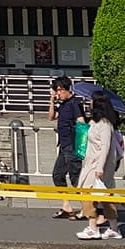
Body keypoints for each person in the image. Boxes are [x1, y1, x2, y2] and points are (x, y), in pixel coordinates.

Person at [76, 97, 123, 241]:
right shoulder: (96, 122)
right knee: (104, 195)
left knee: (89, 194)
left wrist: (100, 167)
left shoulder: (104, 124)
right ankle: (113, 228)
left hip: (98, 165)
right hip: (93, 163)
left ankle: (93, 227)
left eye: (91, 101)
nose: (89, 103)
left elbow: (105, 146)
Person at [48, 76, 86, 220]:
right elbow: (52, 117)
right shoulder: (63, 104)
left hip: (72, 144)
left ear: (66, 89)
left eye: (59, 90)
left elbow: (81, 122)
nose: (58, 93)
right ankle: (66, 205)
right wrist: (52, 102)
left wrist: (81, 146)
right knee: (58, 175)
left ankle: (86, 208)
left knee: (75, 177)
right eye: (56, 91)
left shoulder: (75, 103)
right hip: (63, 145)